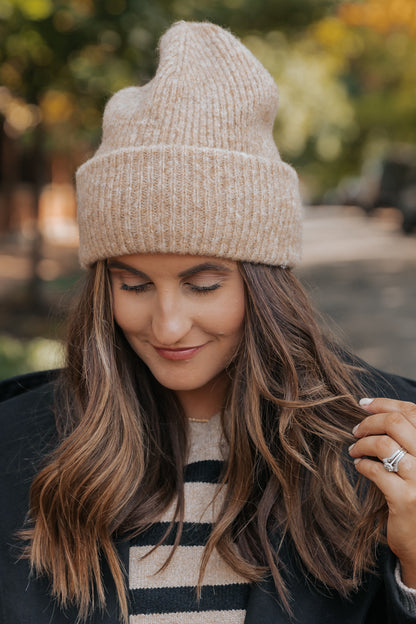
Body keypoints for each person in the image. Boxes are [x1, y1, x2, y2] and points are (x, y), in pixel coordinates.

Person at [1, 21, 416, 624]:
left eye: (204, 285)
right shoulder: (16, 447)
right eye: (133, 284)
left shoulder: (383, 446)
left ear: (266, 283)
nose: (168, 326)